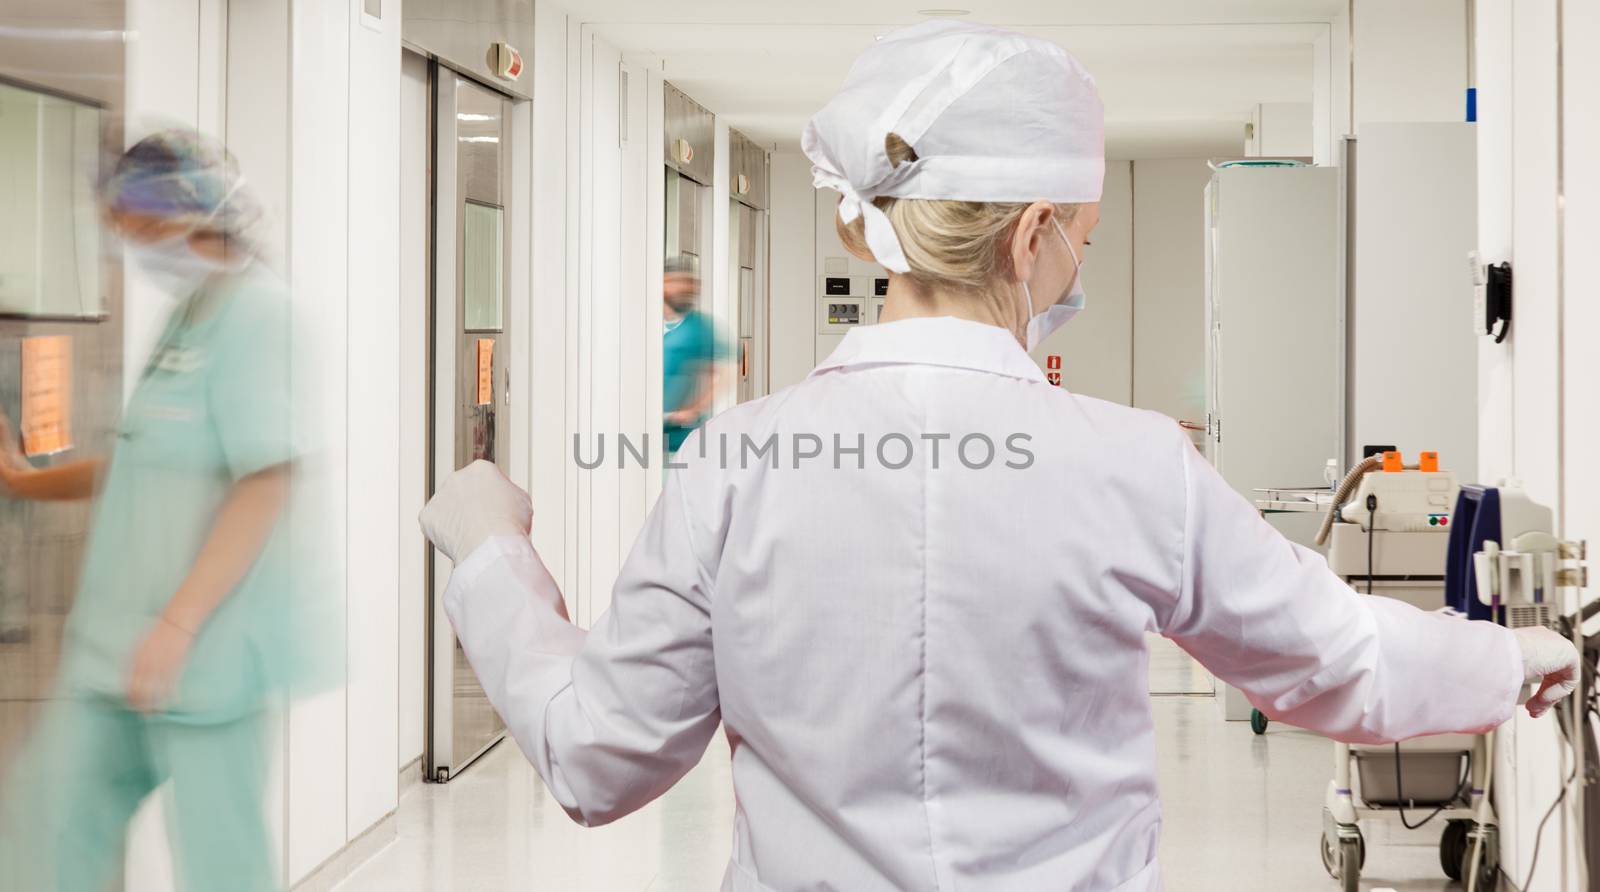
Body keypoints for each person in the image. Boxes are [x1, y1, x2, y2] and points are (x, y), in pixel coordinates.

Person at [418, 21, 1579, 891]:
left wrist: (489, 553)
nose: (1076, 266)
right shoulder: (1132, 466)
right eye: (1078, 238)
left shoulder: (738, 463)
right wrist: (1518, 654)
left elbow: (595, 758)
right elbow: (1340, 662)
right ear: (1030, 239)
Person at [0, 129, 299, 891]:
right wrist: (26, 481)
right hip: (115, 651)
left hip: (204, 657)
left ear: (188, 212)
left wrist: (178, 623)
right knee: (51, 826)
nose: (128, 243)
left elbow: (264, 479)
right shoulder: (190, 316)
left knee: (221, 861)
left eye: (136, 224)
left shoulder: (259, 315)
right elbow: (140, 460)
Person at [662, 254, 724, 453]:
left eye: (689, 283)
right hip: (637, 428)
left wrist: (694, 410)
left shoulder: (699, 327)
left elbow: (722, 373)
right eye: (676, 282)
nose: (685, 289)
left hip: (680, 437)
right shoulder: (641, 323)